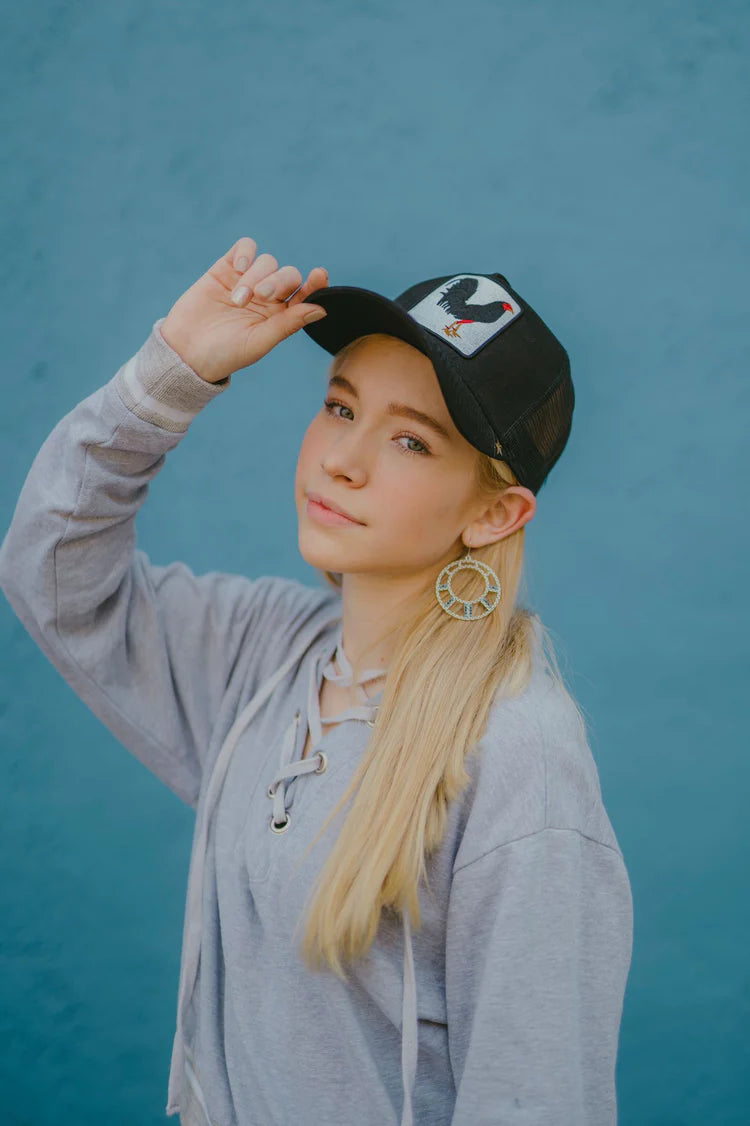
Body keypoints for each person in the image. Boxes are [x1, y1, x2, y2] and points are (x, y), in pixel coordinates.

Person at [0, 236, 634, 1126]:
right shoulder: (268, 652)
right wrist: (169, 377)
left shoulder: (518, 756)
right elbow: (56, 573)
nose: (345, 459)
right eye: (341, 408)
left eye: (412, 440)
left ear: (496, 513)